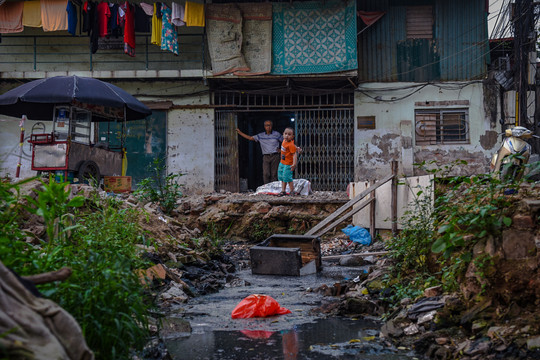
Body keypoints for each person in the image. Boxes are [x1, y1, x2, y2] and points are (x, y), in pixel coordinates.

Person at [278, 127, 298, 196]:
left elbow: (294, 154)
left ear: (292, 137)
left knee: (288, 177)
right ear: (283, 134)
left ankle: (292, 191)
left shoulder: (290, 144)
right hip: (282, 162)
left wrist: (294, 164)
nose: (287, 135)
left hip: (288, 164)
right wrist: (297, 148)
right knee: (282, 177)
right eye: (285, 133)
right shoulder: (284, 141)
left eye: (289, 134)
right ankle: (283, 191)